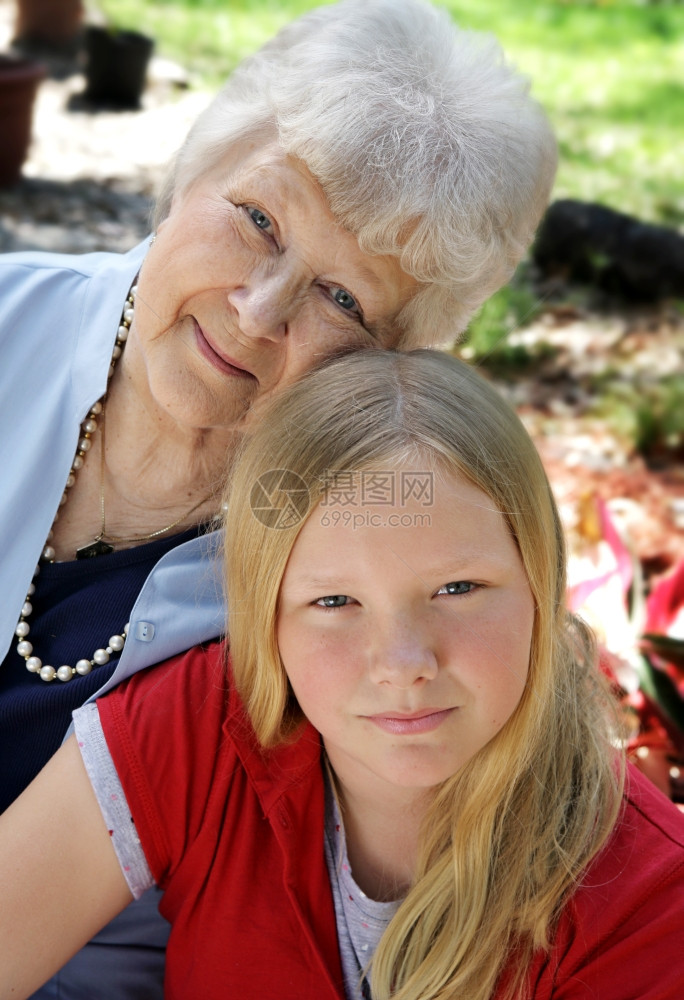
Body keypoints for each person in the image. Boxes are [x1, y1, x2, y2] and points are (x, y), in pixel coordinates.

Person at [0, 0, 556, 994]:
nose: (259, 311)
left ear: (393, 361)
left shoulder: (356, 581)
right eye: (257, 219)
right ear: (194, 169)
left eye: (341, 299)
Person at [1, 349, 682, 1000]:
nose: (403, 664)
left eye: (458, 588)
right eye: (334, 602)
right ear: (267, 620)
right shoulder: (204, 722)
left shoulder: (649, 897)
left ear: (540, 583)